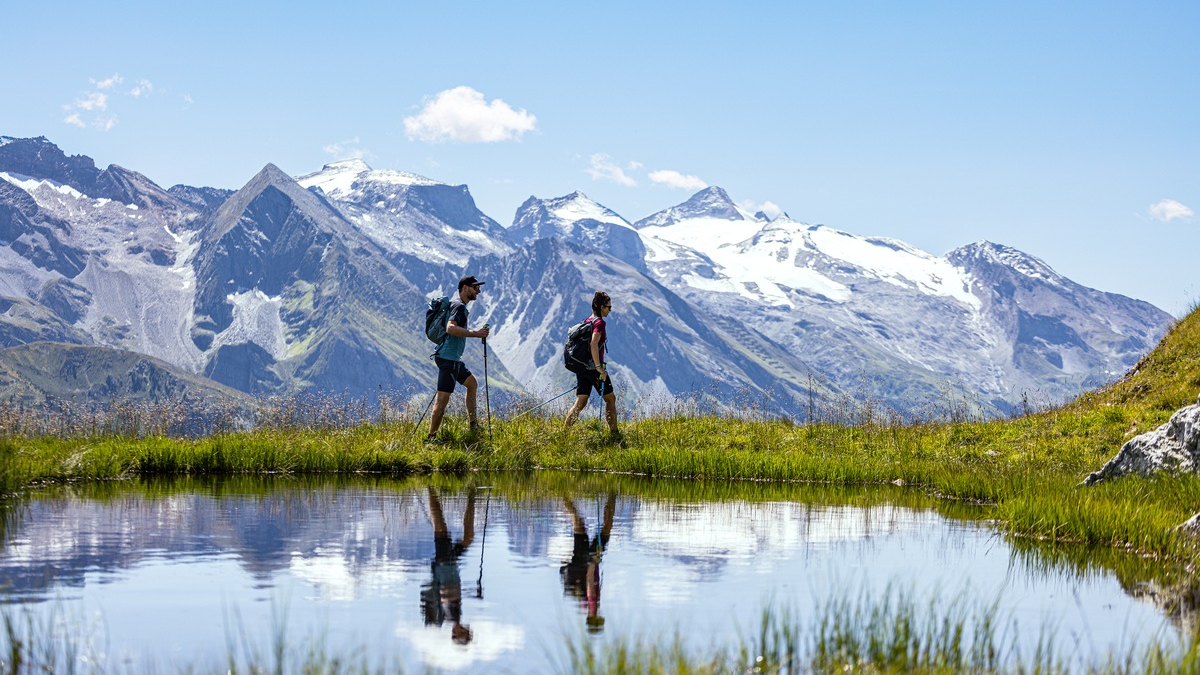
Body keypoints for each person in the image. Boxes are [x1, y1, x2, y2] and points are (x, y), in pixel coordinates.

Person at [426, 275, 490, 443]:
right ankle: (431, 438)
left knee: (472, 384)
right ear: (465, 288)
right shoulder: (459, 306)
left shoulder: (459, 306)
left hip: (452, 358)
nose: (479, 291)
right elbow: (450, 328)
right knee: (442, 400)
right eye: (475, 287)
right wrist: (476, 334)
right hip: (448, 359)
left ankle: (473, 425)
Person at [421, 485, 477, 644]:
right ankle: (470, 495)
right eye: (468, 633)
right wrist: (471, 591)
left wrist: (471, 591)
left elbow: (447, 593)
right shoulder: (454, 615)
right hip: (448, 563)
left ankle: (431, 487)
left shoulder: (453, 616)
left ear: (456, 632)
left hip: (445, 562)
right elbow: (450, 593)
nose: (468, 630)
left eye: (465, 634)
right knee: (465, 537)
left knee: (439, 523)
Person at [564, 291, 621, 441]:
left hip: (582, 368)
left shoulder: (588, 320)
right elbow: (594, 343)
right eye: (609, 307)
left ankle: (564, 435)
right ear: (602, 307)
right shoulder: (599, 323)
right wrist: (598, 368)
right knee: (610, 399)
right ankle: (615, 434)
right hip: (593, 368)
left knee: (580, 402)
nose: (610, 310)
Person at [560, 493, 616, 632]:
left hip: (588, 561)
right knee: (579, 525)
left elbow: (590, 584)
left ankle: (612, 494)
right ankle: (563, 494)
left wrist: (593, 562)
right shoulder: (584, 606)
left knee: (605, 529)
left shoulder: (591, 605)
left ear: (595, 619)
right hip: (580, 562)